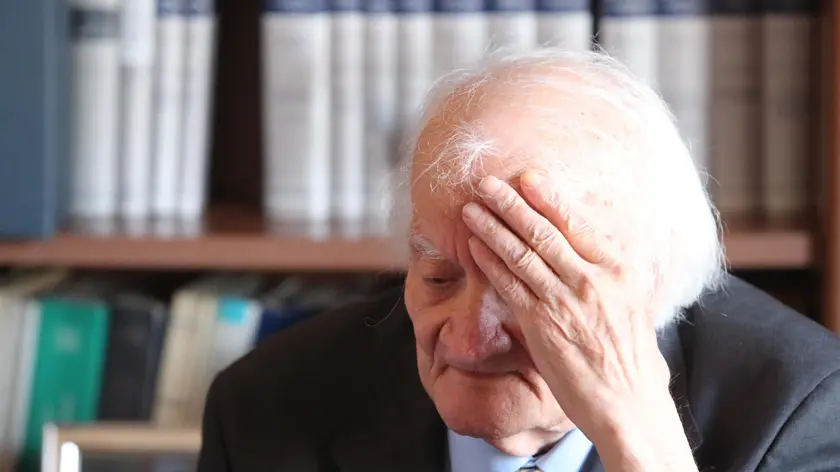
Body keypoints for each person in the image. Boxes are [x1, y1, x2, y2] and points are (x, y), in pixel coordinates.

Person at [196, 48, 840, 472]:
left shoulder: (798, 409)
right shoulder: (266, 405)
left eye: (531, 290)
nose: (467, 342)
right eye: (439, 277)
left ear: (652, 284)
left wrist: (640, 442)